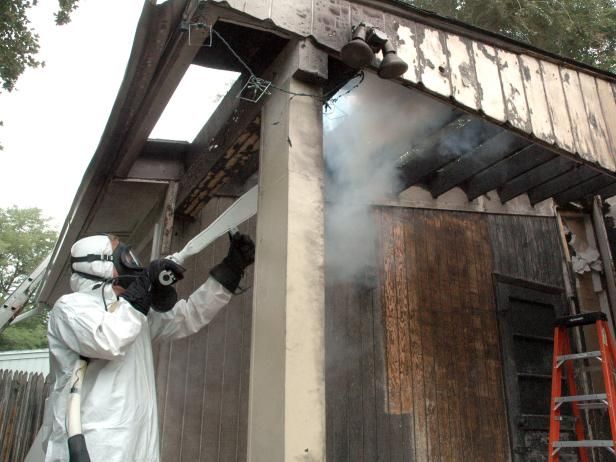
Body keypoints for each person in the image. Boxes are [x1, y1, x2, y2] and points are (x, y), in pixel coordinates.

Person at [26, 232, 255, 462]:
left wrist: (230, 270)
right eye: (122, 255)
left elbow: (188, 316)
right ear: (99, 265)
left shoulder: (133, 314)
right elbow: (109, 341)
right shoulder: (70, 308)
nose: (131, 262)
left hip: (137, 444)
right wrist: (143, 287)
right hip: (93, 446)